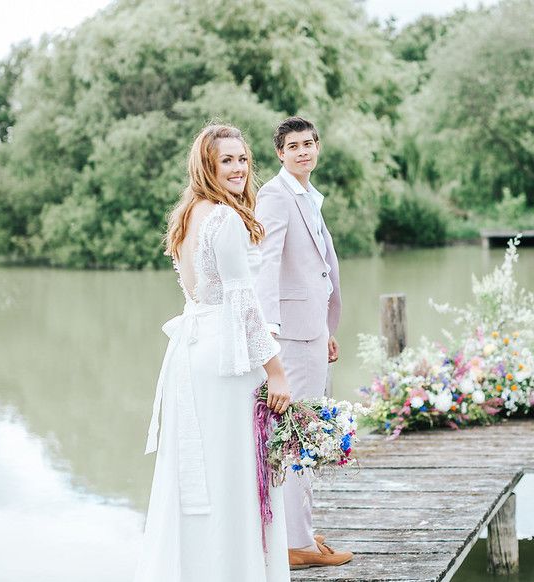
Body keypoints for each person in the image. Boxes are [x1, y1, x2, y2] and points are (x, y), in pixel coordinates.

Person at [134, 124, 291, 582]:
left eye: (243, 159)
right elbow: (244, 306)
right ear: (208, 165)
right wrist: (277, 372)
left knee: (205, 470)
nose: (239, 168)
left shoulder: (190, 213)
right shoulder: (222, 218)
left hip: (196, 353)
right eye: (228, 160)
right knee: (234, 472)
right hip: (228, 357)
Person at [255, 116, 352, 569]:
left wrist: (326, 329)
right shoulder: (275, 196)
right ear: (280, 153)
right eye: (293, 146)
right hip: (290, 336)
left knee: (304, 435)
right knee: (296, 437)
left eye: (309, 143)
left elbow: (317, 270)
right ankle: (298, 545)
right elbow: (266, 264)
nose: (303, 152)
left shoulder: (308, 196)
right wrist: (269, 336)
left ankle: (300, 533)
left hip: (312, 331)